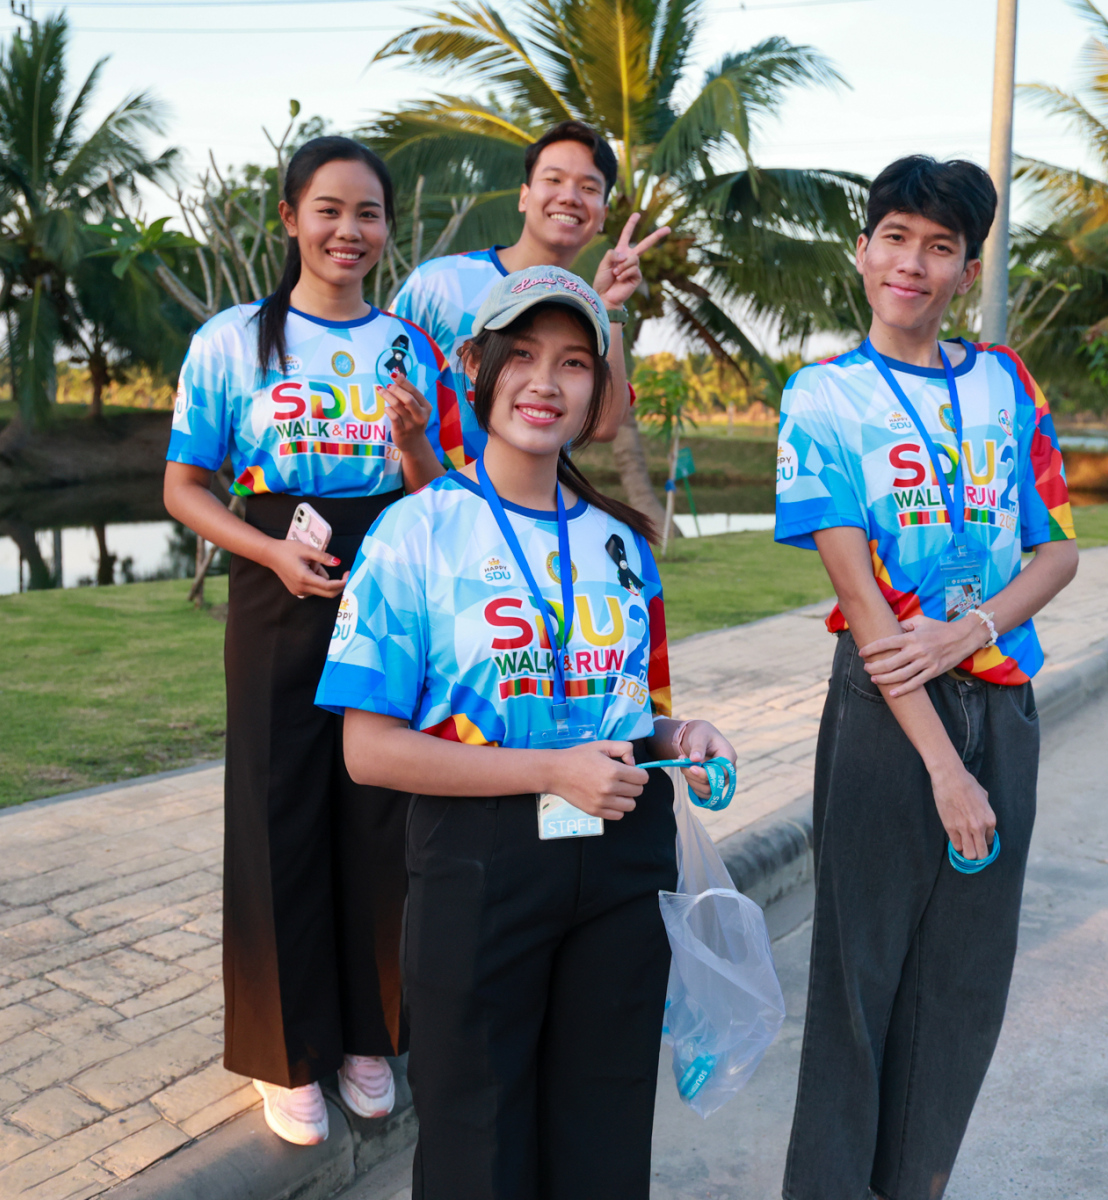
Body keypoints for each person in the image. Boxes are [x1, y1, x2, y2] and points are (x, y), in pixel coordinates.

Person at [317, 266, 737, 1200]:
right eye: (523, 356)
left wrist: (684, 735)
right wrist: (549, 771)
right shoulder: (413, 534)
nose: (546, 382)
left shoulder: (623, 542)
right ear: (478, 367)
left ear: (598, 389)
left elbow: (635, 714)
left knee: (604, 1140)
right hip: (480, 863)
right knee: (478, 1148)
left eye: (574, 362)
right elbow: (367, 750)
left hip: (622, 860)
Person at [774, 156, 1080, 1200]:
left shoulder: (1006, 383)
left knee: (963, 985)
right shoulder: (824, 397)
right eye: (895, 238)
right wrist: (947, 770)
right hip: (885, 706)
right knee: (856, 986)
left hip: (1001, 702)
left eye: (939, 246)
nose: (913, 263)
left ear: (966, 269)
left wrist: (972, 632)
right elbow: (863, 601)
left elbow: (1057, 552)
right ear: (863, 252)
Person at [162, 135, 457, 1147]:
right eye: (328, 209)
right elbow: (184, 487)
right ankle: (284, 1053)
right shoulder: (231, 341)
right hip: (276, 575)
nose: (348, 231)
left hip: (388, 578)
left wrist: (414, 445)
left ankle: (370, 1036)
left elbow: (439, 495)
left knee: (380, 809)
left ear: (388, 229)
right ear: (289, 218)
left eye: (368, 213)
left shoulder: (408, 347)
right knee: (278, 803)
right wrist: (269, 553)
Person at [390, 120, 668, 462]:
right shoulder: (438, 282)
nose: (569, 197)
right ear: (524, 196)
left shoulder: (584, 309)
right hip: (433, 491)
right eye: (554, 180)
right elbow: (380, 386)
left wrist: (608, 306)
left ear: (602, 216)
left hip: (536, 496)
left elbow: (602, 426)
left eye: (588, 188)